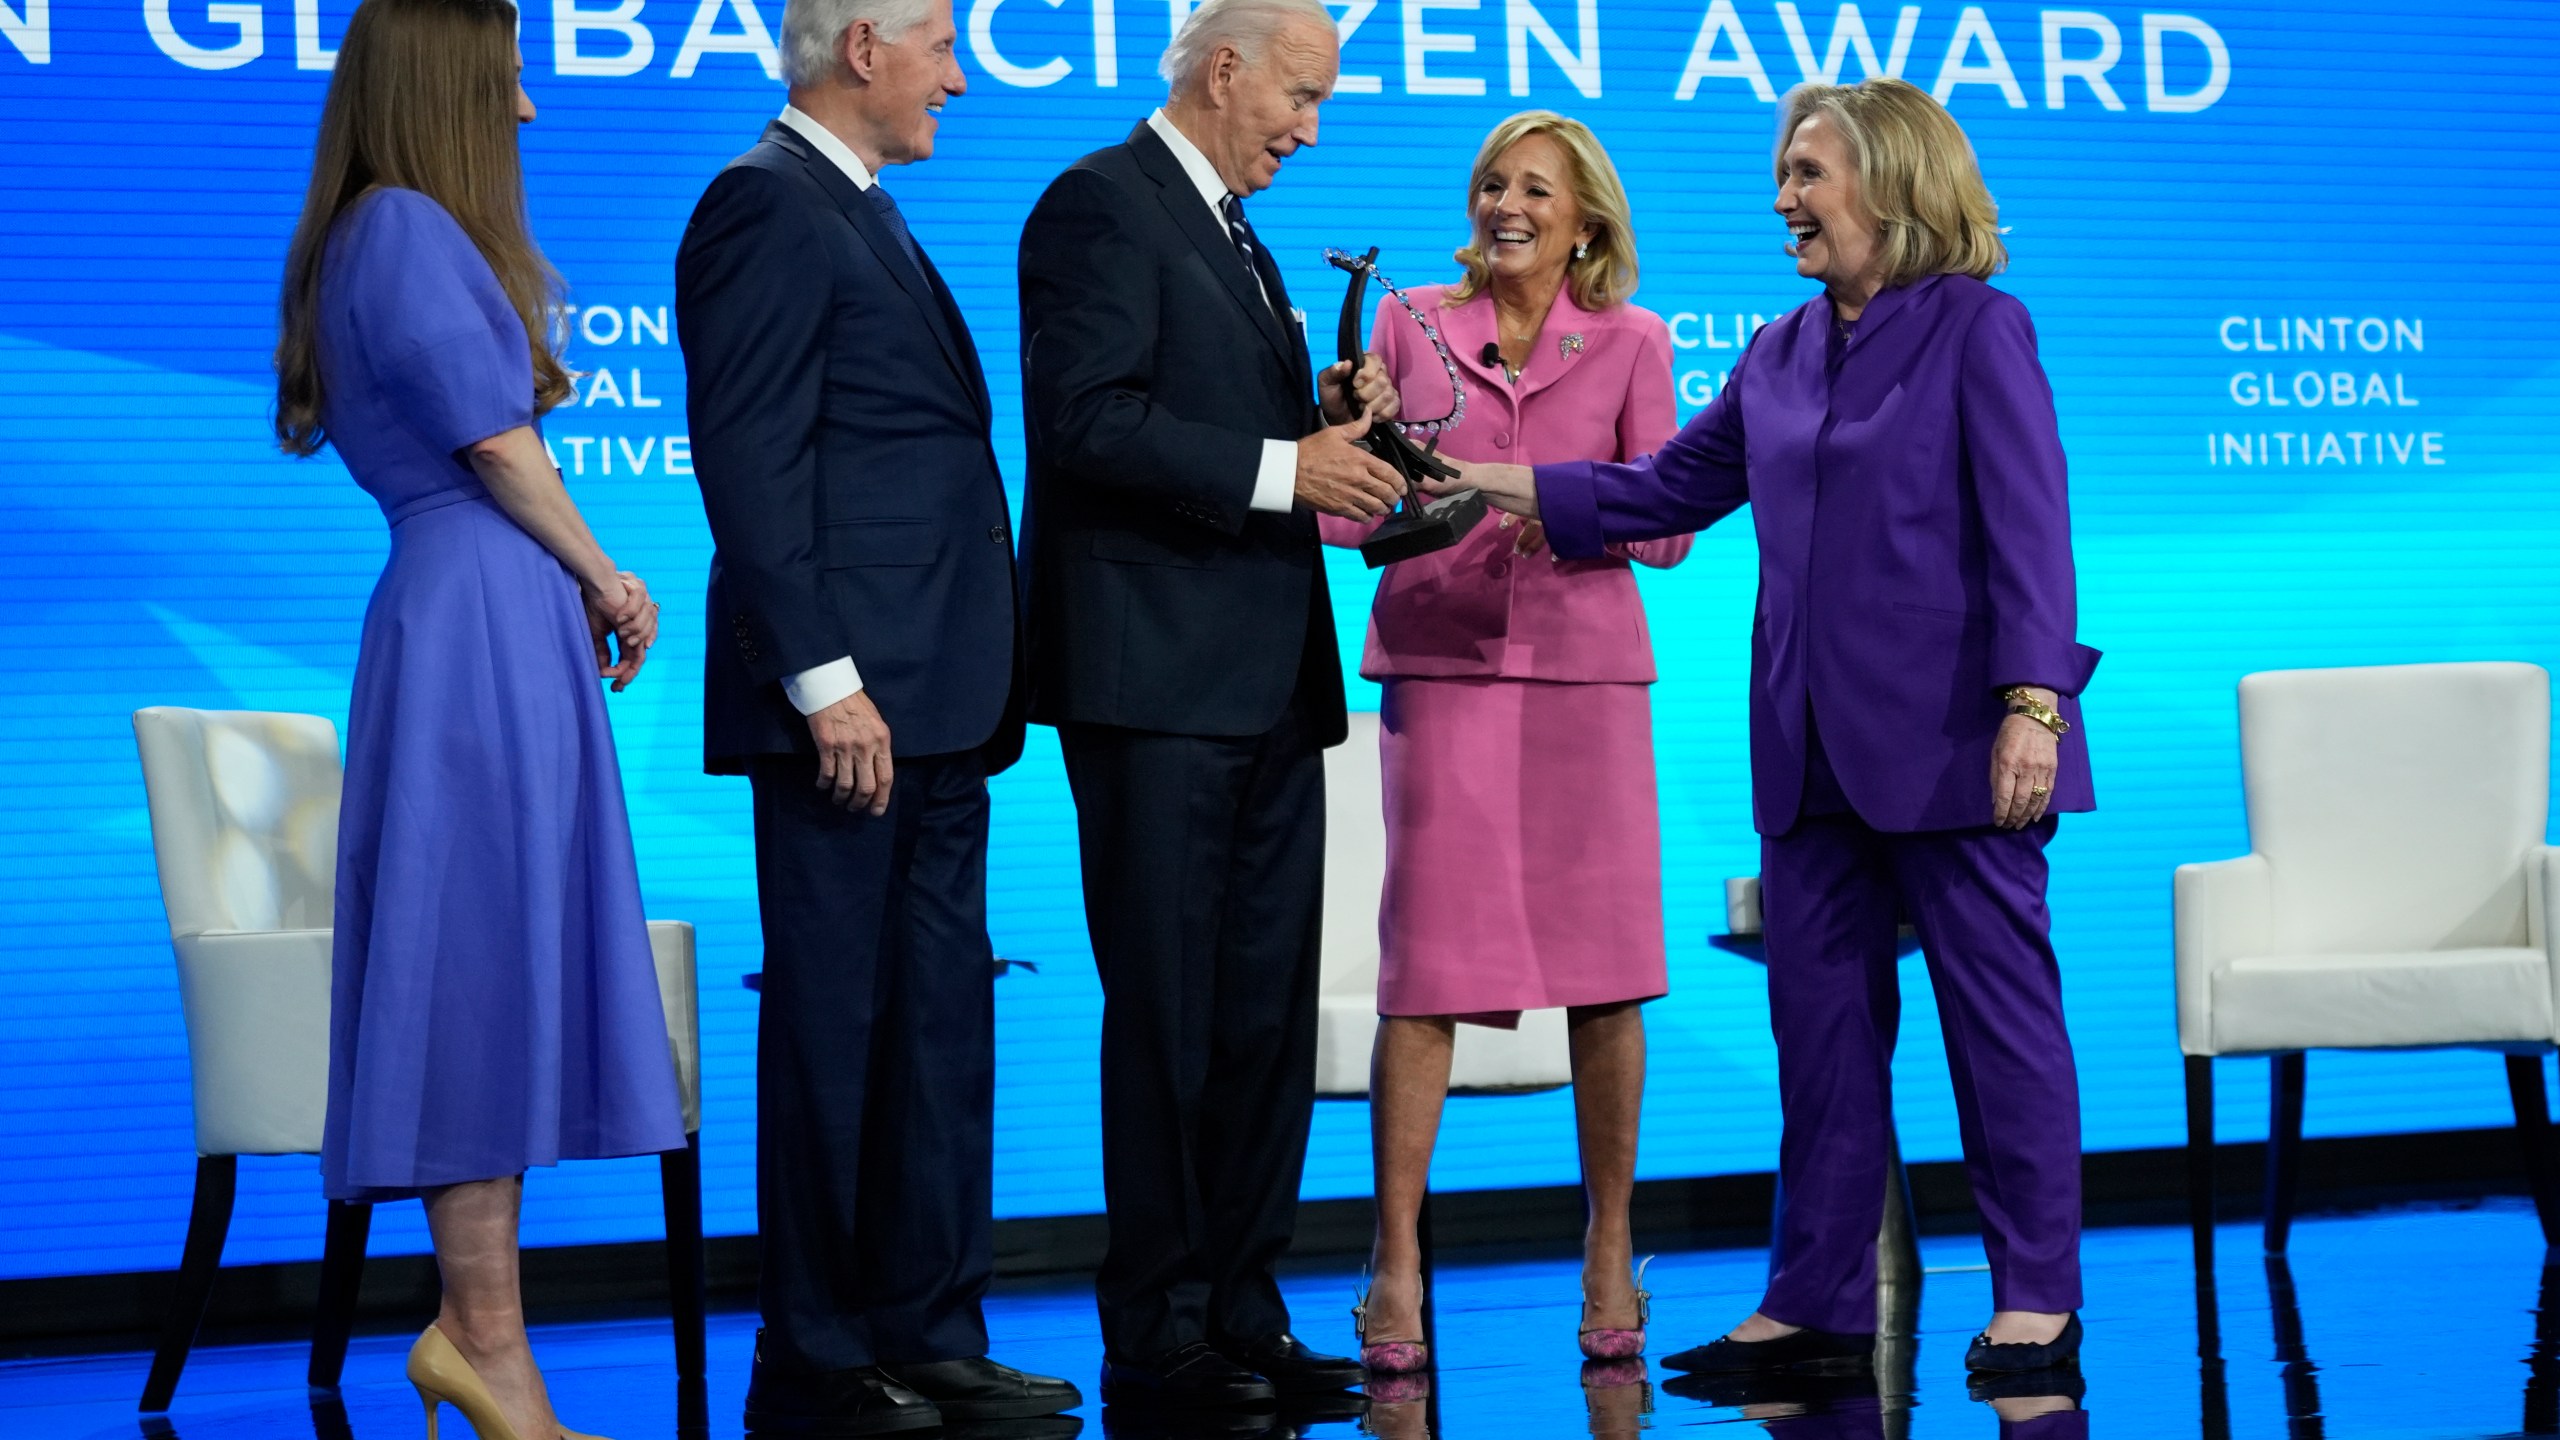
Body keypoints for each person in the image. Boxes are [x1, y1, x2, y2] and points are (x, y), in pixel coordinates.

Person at [1439, 76, 2100, 1376]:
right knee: (1822, 1044)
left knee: (1999, 1031)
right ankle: (1817, 1305)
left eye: (1809, 171)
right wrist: (1476, 478)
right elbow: (1665, 486)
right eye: (1784, 172)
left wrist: (2037, 702)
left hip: (1964, 747)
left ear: (1895, 182)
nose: (1783, 197)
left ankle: (2039, 1296)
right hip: (1808, 756)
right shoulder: (1782, 349)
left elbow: (2033, 530)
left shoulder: (1981, 329)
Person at [277, 2, 684, 1437]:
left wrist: (561, 590)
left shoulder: (383, 234)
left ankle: (483, 1335)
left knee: (501, 970)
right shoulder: (398, 231)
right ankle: (479, 1339)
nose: (525, 114)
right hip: (469, 633)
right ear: (449, 87)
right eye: (508, 86)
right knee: (472, 973)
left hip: (489, 624)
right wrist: (607, 575)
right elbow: (496, 444)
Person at [674, 0, 1077, 1431]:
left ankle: (932, 1325)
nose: (961, 80)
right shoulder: (762, 205)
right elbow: (751, 457)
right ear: (862, 48)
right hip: (851, 707)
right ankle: (821, 1347)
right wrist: (822, 677)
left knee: (938, 1026)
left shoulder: (867, 212)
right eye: (943, 49)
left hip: (945, 703)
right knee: (837, 1026)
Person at [1015, 0, 1404, 1410]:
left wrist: (1327, 424)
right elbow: (1087, 420)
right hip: (1155, 684)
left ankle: (1243, 1309)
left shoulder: (1237, 236)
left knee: (1258, 1023)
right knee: (1172, 1017)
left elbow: (1222, 423)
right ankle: (1160, 1330)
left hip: (1258, 688)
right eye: (1300, 97)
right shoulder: (1097, 207)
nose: (1312, 128)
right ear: (1224, 69)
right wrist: (1283, 468)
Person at [1315, 111, 1689, 1373]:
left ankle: (1607, 1245)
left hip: (1587, 679)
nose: (1504, 205)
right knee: (1428, 970)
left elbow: (1669, 525)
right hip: (1444, 667)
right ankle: (1397, 1256)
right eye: (1488, 183)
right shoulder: (1405, 321)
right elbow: (1347, 521)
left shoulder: (1635, 340)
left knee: (1608, 969)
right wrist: (1353, 447)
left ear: (1585, 217)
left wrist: (1571, 515)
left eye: (1534, 188)